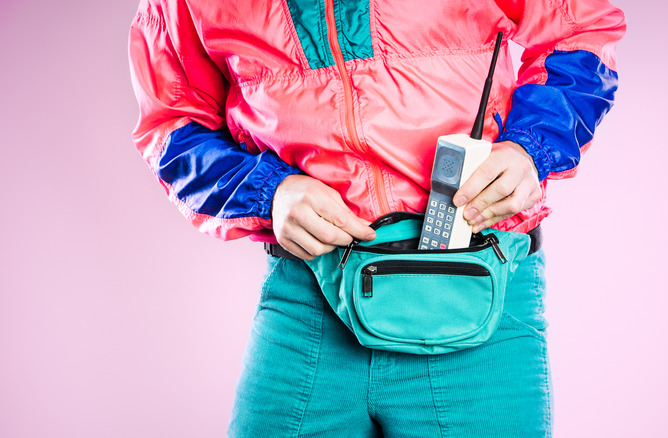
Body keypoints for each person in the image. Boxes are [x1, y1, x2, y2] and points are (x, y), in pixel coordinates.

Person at [128, 0, 625, 436]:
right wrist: (269, 193)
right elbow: (170, 124)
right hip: (309, 295)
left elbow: (579, 29)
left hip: (480, 284)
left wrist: (530, 147)